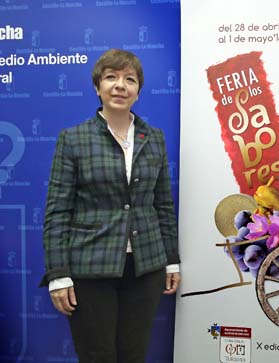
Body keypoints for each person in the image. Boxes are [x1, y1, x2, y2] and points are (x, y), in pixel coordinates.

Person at [41, 49, 181, 363]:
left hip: (146, 267)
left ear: (138, 90)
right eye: (111, 77)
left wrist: (171, 259)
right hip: (90, 267)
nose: (120, 85)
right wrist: (58, 274)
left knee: (133, 354)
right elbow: (57, 212)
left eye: (129, 79)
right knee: (97, 356)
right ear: (97, 87)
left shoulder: (154, 138)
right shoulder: (73, 139)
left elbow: (163, 204)